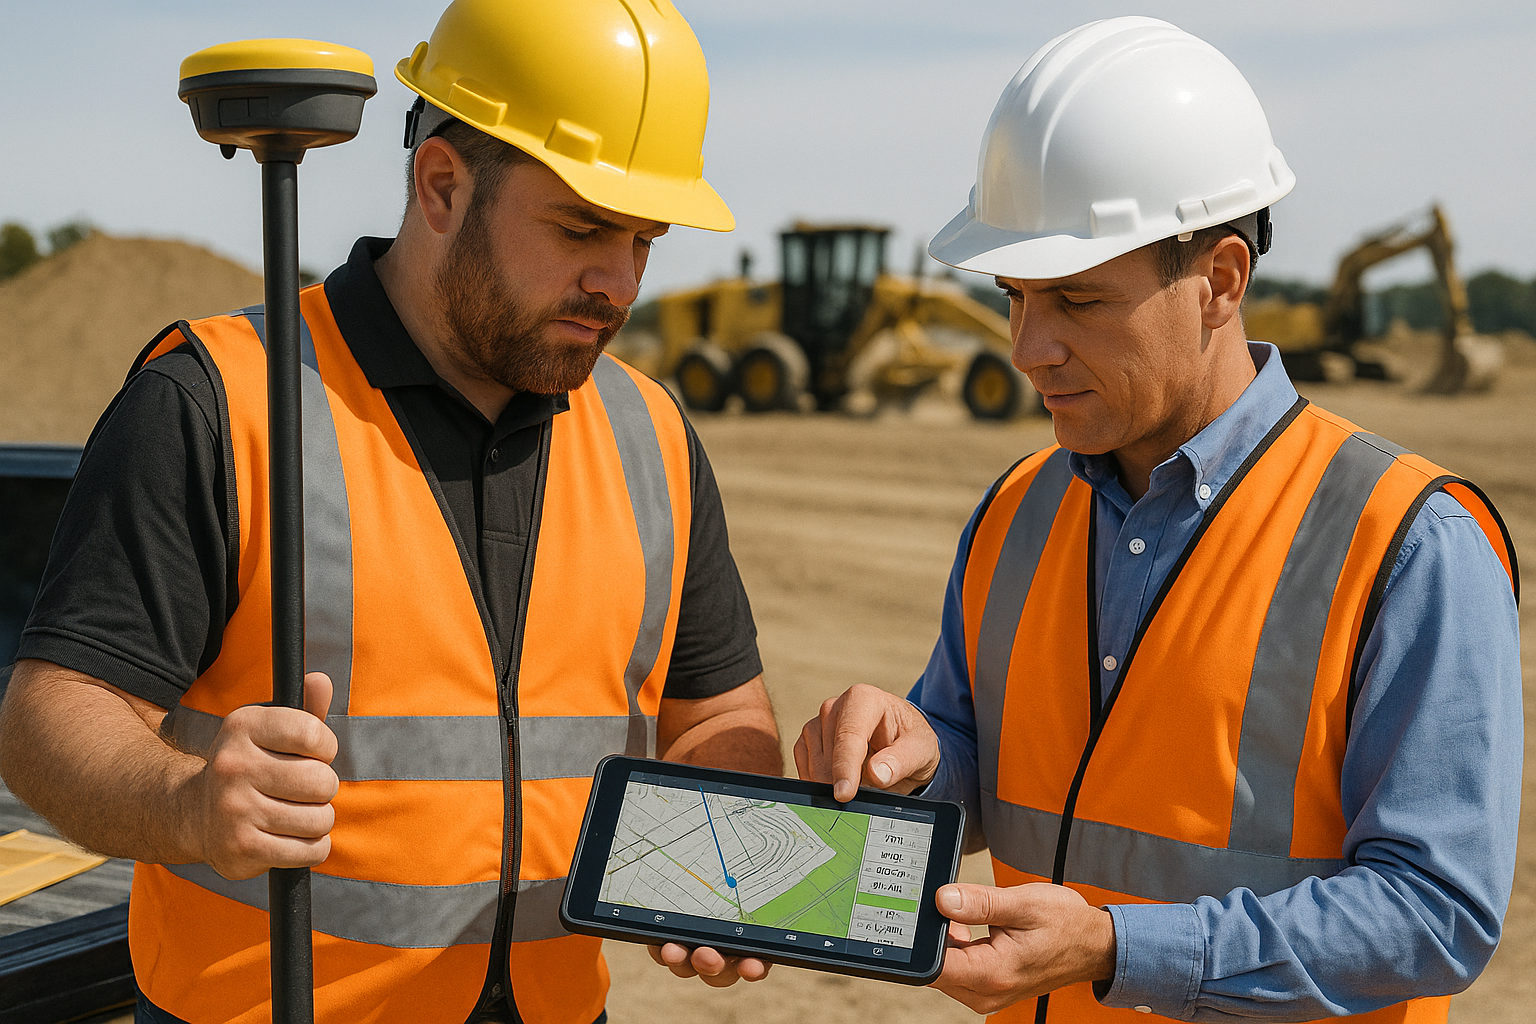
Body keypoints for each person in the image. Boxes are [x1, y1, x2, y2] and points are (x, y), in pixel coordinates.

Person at [668, 16, 1523, 1021]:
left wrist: (1120, 947)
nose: (1029, 346)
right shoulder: (1019, 508)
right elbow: (976, 768)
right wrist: (915, 756)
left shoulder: (1406, 540)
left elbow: (1436, 912)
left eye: (1075, 299)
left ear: (1219, 283)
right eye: (1015, 295)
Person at [0, 2, 781, 1023]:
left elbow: (721, 716)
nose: (619, 281)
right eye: (583, 227)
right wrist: (189, 805)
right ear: (443, 185)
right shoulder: (222, 398)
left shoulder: (653, 434)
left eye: (645, 237)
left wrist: (717, 856)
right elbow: (49, 718)